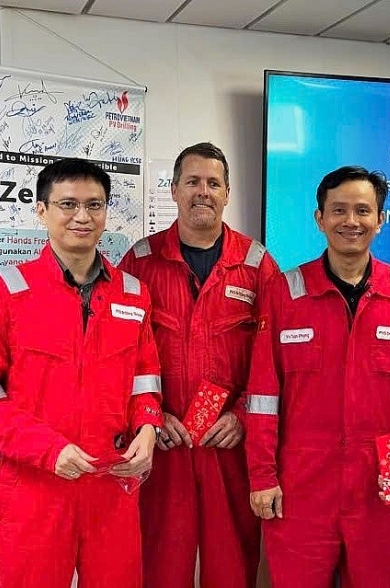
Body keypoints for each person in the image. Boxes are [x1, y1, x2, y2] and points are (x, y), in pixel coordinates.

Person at [0, 158, 164, 587]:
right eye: (68, 204)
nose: (82, 217)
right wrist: (49, 451)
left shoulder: (133, 293)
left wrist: (147, 428)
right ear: (42, 210)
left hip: (112, 483)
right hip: (36, 486)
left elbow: (145, 379)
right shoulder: (4, 293)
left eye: (94, 205)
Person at [243, 165, 390, 588]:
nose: (351, 221)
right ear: (320, 218)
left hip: (379, 486)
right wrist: (262, 476)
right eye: (339, 210)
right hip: (301, 488)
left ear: (381, 220)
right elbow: (262, 395)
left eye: (363, 211)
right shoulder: (285, 291)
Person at [118, 142, 278, 588]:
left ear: (227, 193)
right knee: (160, 563)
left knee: (232, 566)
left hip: (229, 445)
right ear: (173, 190)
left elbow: (274, 358)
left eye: (213, 183)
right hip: (162, 444)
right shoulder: (141, 262)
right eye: (192, 182)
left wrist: (243, 415)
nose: (202, 191)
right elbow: (120, 354)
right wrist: (149, 416)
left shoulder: (256, 264)